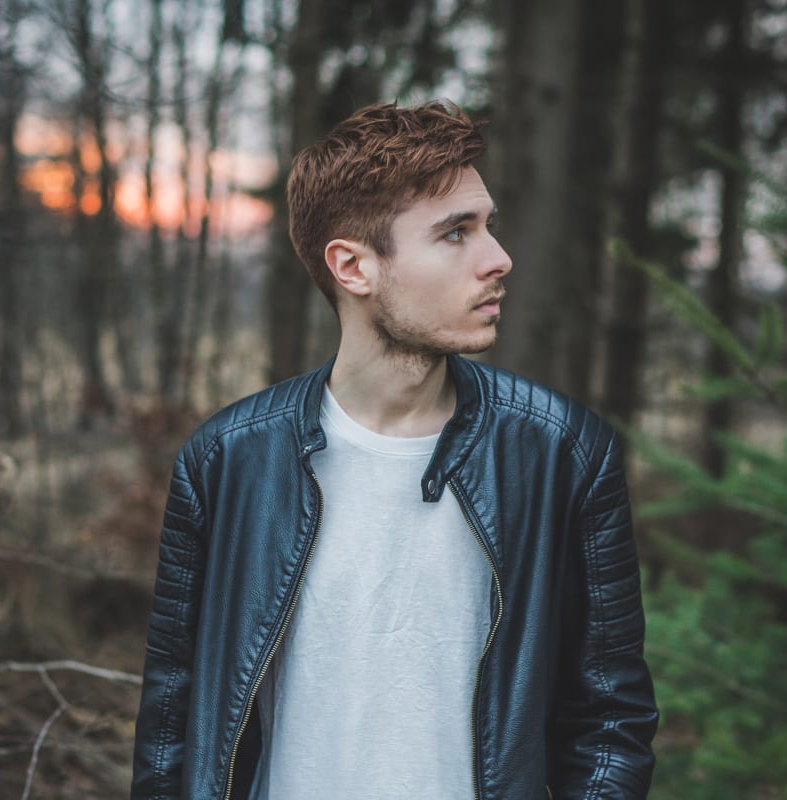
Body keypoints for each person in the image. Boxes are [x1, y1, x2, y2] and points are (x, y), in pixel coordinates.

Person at [131, 100, 657, 800]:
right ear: (353, 267)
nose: (498, 259)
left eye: (488, 227)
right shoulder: (227, 462)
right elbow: (172, 722)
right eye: (454, 233)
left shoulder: (561, 453)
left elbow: (612, 721)